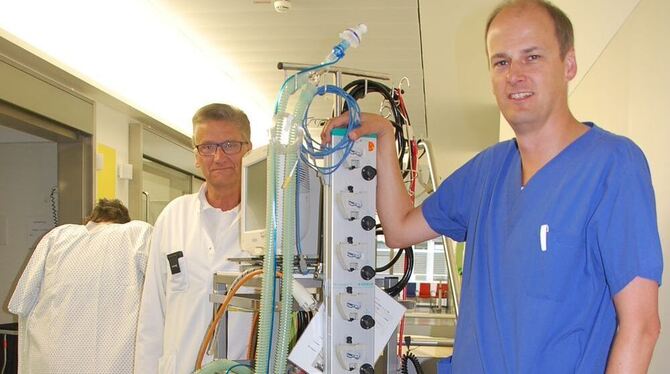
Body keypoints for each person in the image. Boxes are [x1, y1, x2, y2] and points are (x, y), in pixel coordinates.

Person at [323, 0, 663, 372]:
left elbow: (641, 325)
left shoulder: (612, 165)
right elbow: (400, 229)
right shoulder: (488, 170)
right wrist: (385, 138)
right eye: (501, 61)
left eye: (532, 57)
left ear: (569, 64)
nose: (514, 74)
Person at [135, 103, 254, 374]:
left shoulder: (274, 222)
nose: (219, 156)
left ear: (248, 150)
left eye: (230, 144)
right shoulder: (173, 216)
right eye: (208, 147)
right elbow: (152, 315)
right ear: (196, 156)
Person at [7, 199, 152, 374]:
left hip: (53, 361)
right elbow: (165, 291)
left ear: (90, 219)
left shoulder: (57, 237)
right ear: (123, 220)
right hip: (114, 362)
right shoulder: (137, 233)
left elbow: (20, 302)